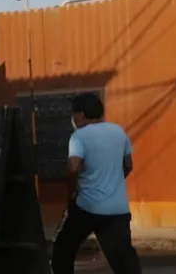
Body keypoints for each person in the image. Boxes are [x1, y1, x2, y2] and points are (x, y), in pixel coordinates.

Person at [51, 92, 142, 274]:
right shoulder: (118, 131)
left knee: (63, 250)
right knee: (124, 260)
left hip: (87, 206)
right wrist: (113, 182)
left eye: (74, 113)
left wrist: (72, 192)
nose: (73, 118)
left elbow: (73, 168)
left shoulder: (79, 136)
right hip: (118, 209)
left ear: (81, 114)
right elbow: (128, 164)